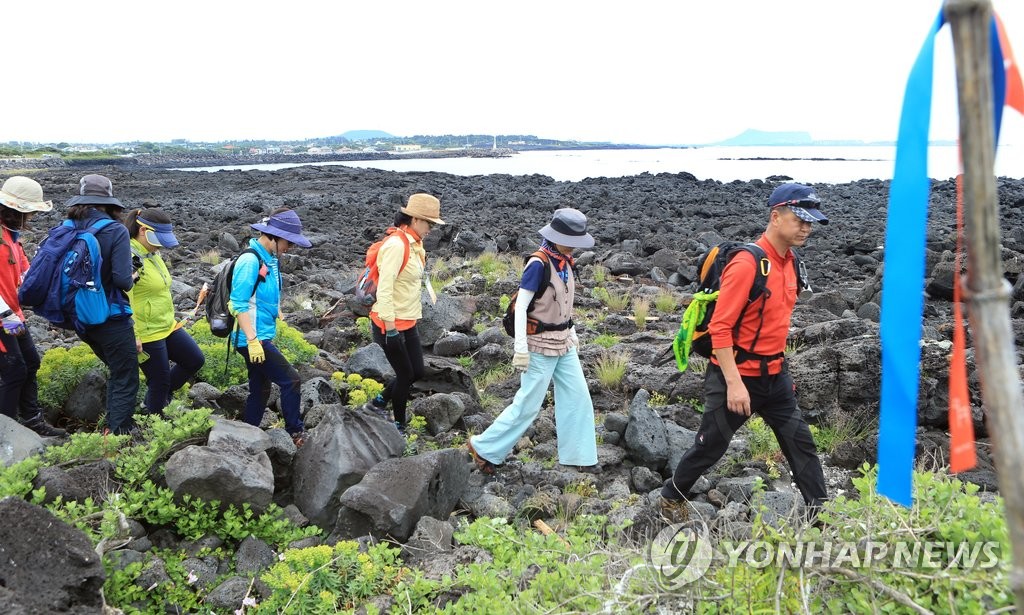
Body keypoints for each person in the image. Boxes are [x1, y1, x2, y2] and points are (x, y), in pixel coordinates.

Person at [660, 183, 829, 523]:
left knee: (801, 445)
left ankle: (822, 518)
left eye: (811, 222)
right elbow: (720, 329)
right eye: (800, 219)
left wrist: (780, 371)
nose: (806, 227)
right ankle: (671, 497)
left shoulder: (792, 262)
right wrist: (735, 384)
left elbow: (775, 324)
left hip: (775, 377)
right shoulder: (747, 264)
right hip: (734, 378)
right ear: (775, 216)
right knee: (710, 446)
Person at [466, 208, 598, 474]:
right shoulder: (538, 264)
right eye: (570, 241)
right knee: (528, 405)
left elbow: (564, 305)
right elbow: (522, 306)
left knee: (579, 397)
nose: (574, 247)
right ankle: (483, 448)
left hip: (563, 342)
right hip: (539, 344)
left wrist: (572, 333)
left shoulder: (566, 262)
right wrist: (521, 349)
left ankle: (579, 457)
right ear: (557, 236)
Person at [362, 193, 444, 433]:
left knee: (417, 371)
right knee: (405, 375)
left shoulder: (415, 245)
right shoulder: (397, 245)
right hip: (390, 324)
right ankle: (398, 424)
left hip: (408, 320)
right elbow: (385, 289)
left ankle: (378, 401)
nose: (430, 228)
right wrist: (390, 329)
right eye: (429, 223)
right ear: (415, 219)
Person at [231, 208, 312, 447]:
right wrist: (253, 340)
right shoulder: (249, 260)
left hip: (260, 334)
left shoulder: (270, 258)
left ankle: (247, 433)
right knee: (291, 380)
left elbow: (264, 293)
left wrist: (276, 310)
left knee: (261, 389)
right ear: (273, 236)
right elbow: (238, 303)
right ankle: (295, 433)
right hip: (251, 338)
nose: (291, 248)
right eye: (289, 242)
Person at [66, 174, 139, 436]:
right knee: (126, 375)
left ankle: (111, 426)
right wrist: (132, 276)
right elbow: (122, 280)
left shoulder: (69, 227)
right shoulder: (114, 230)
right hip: (109, 315)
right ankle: (117, 438)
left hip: (78, 316)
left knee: (117, 370)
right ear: (109, 202)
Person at [0, 177, 66, 437]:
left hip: (11, 316)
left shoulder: (11, 237)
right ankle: (5, 434)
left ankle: (31, 421)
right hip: (3, 315)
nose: (32, 217)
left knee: (30, 361)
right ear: (16, 210)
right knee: (14, 368)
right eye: (30, 212)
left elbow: (26, 274)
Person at [125, 204, 205, 415]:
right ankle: (154, 422)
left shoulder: (153, 253)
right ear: (143, 231)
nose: (160, 246)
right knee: (158, 380)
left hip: (167, 324)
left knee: (194, 359)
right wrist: (133, 334)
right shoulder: (128, 257)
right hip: (146, 330)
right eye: (158, 240)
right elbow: (123, 297)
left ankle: (155, 401)